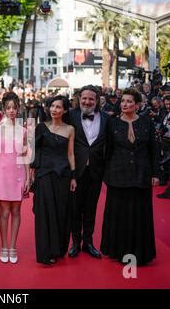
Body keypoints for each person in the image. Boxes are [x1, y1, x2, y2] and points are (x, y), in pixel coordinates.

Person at [101, 88, 158, 266]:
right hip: (118, 174)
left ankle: (140, 252)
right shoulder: (112, 123)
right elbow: (107, 150)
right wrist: (106, 173)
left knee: (140, 214)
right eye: (123, 101)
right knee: (120, 213)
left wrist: (156, 173)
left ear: (138, 105)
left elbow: (153, 150)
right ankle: (118, 250)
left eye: (129, 101)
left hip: (142, 174)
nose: (124, 104)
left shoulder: (147, 122)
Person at [30, 96, 76, 265]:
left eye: (58, 107)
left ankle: (58, 249)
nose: (54, 109)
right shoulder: (41, 127)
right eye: (52, 106)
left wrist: (73, 176)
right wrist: (31, 175)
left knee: (61, 212)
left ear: (65, 110)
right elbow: (34, 152)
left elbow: (70, 154)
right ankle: (45, 253)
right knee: (44, 213)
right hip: (44, 174)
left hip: (63, 175)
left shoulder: (70, 129)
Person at [68, 85, 108, 259]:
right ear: (79, 98)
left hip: (96, 171)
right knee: (75, 209)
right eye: (84, 98)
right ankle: (75, 243)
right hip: (76, 171)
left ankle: (88, 242)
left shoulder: (107, 119)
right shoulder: (70, 116)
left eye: (91, 99)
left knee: (91, 209)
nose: (87, 101)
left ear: (97, 100)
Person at [0, 92, 30, 264]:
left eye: (14, 107)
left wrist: (28, 177)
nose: (12, 111)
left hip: (19, 173)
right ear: (4, 109)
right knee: (4, 212)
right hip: (2, 173)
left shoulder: (23, 130)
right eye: (8, 108)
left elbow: (25, 154)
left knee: (16, 211)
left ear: (18, 108)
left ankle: (13, 246)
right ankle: (4, 246)